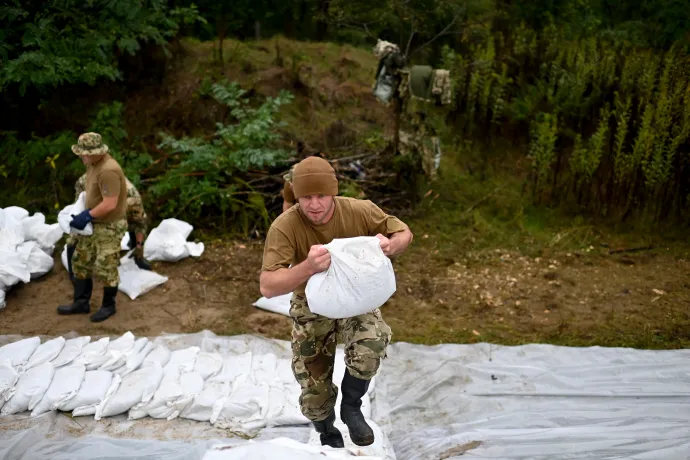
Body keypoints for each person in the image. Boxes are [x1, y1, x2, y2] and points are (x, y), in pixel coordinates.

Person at [260, 157, 413, 447]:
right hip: (312, 303)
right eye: (306, 197)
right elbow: (267, 286)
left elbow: (404, 232)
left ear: (334, 192)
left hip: (355, 294)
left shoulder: (359, 210)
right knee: (314, 395)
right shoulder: (285, 226)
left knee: (372, 343)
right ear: (297, 196)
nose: (314, 204)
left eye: (321, 196)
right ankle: (327, 430)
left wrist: (391, 245)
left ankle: (351, 407)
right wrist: (307, 267)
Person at [57, 132, 128, 322]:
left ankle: (108, 306)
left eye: (84, 153)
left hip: (109, 225)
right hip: (93, 223)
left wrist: (87, 215)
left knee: (106, 266)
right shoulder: (93, 164)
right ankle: (81, 302)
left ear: (97, 152)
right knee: (81, 261)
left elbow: (110, 204)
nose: (81, 157)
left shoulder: (108, 171)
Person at [65, 173, 151, 280]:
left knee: (133, 226)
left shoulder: (134, 197)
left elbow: (140, 224)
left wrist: (139, 247)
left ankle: (138, 258)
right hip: (89, 189)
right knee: (77, 229)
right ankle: (73, 274)